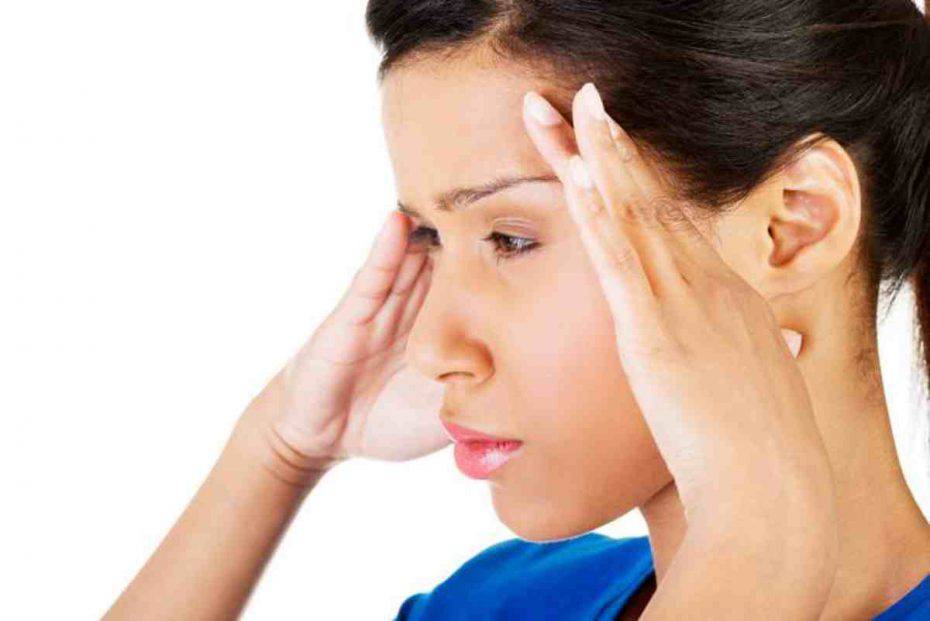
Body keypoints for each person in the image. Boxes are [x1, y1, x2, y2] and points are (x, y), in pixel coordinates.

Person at [104, 0, 930, 618]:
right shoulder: (499, 603)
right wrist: (279, 446)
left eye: (511, 238)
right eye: (431, 236)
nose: (431, 348)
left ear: (792, 225)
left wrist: (759, 536)